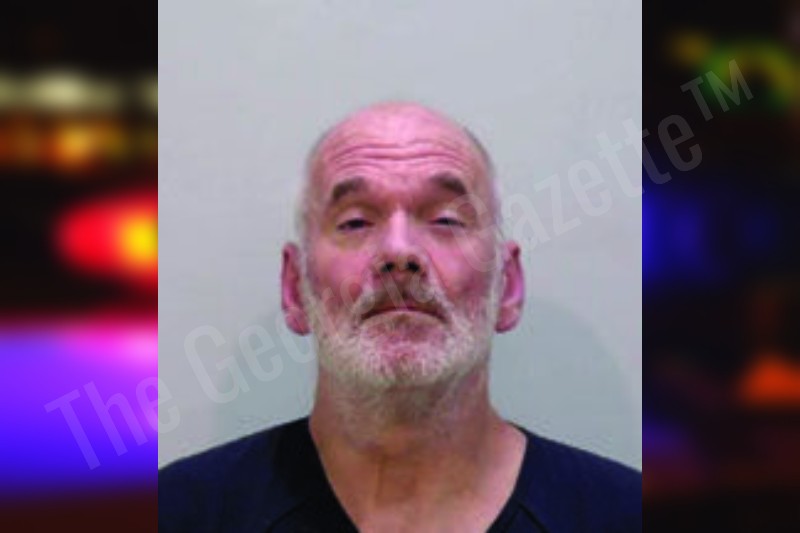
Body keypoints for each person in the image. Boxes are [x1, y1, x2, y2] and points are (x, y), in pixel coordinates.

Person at [159, 102, 642, 532]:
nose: (399, 251)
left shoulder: (625, 516)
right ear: (295, 289)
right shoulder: (179, 513)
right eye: (355, 221)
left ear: (508, 286)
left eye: (446, 220)